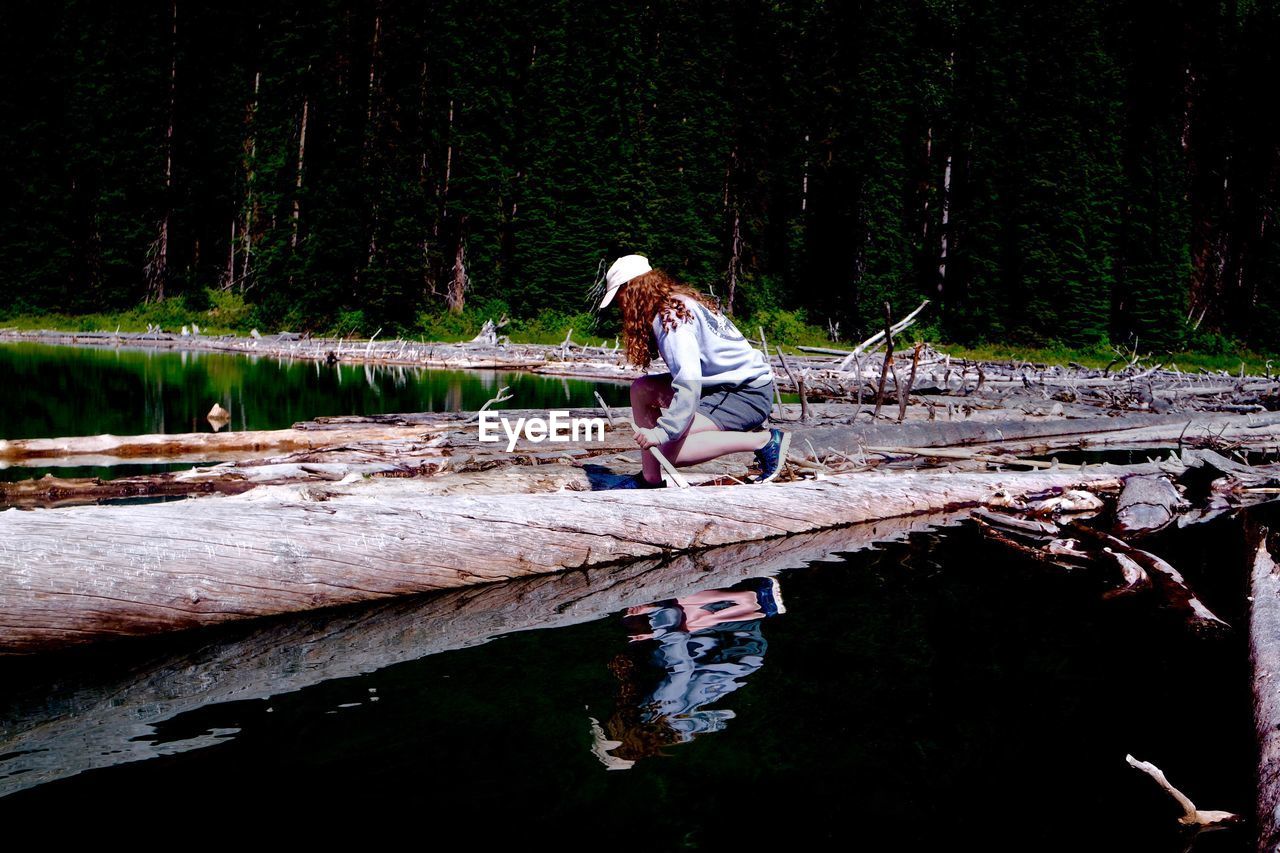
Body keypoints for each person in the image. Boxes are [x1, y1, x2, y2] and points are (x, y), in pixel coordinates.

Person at [597, 254, 790, 487]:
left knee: (664, 451)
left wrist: (661, 433)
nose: (621, 306)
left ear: (633, 290)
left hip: (744, 393)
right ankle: (650, 479)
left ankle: (764, 441)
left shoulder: (671, 317)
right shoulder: (677, 302)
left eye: (620, 297)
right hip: (719, 387)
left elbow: (688, 383)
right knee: (642, 389)